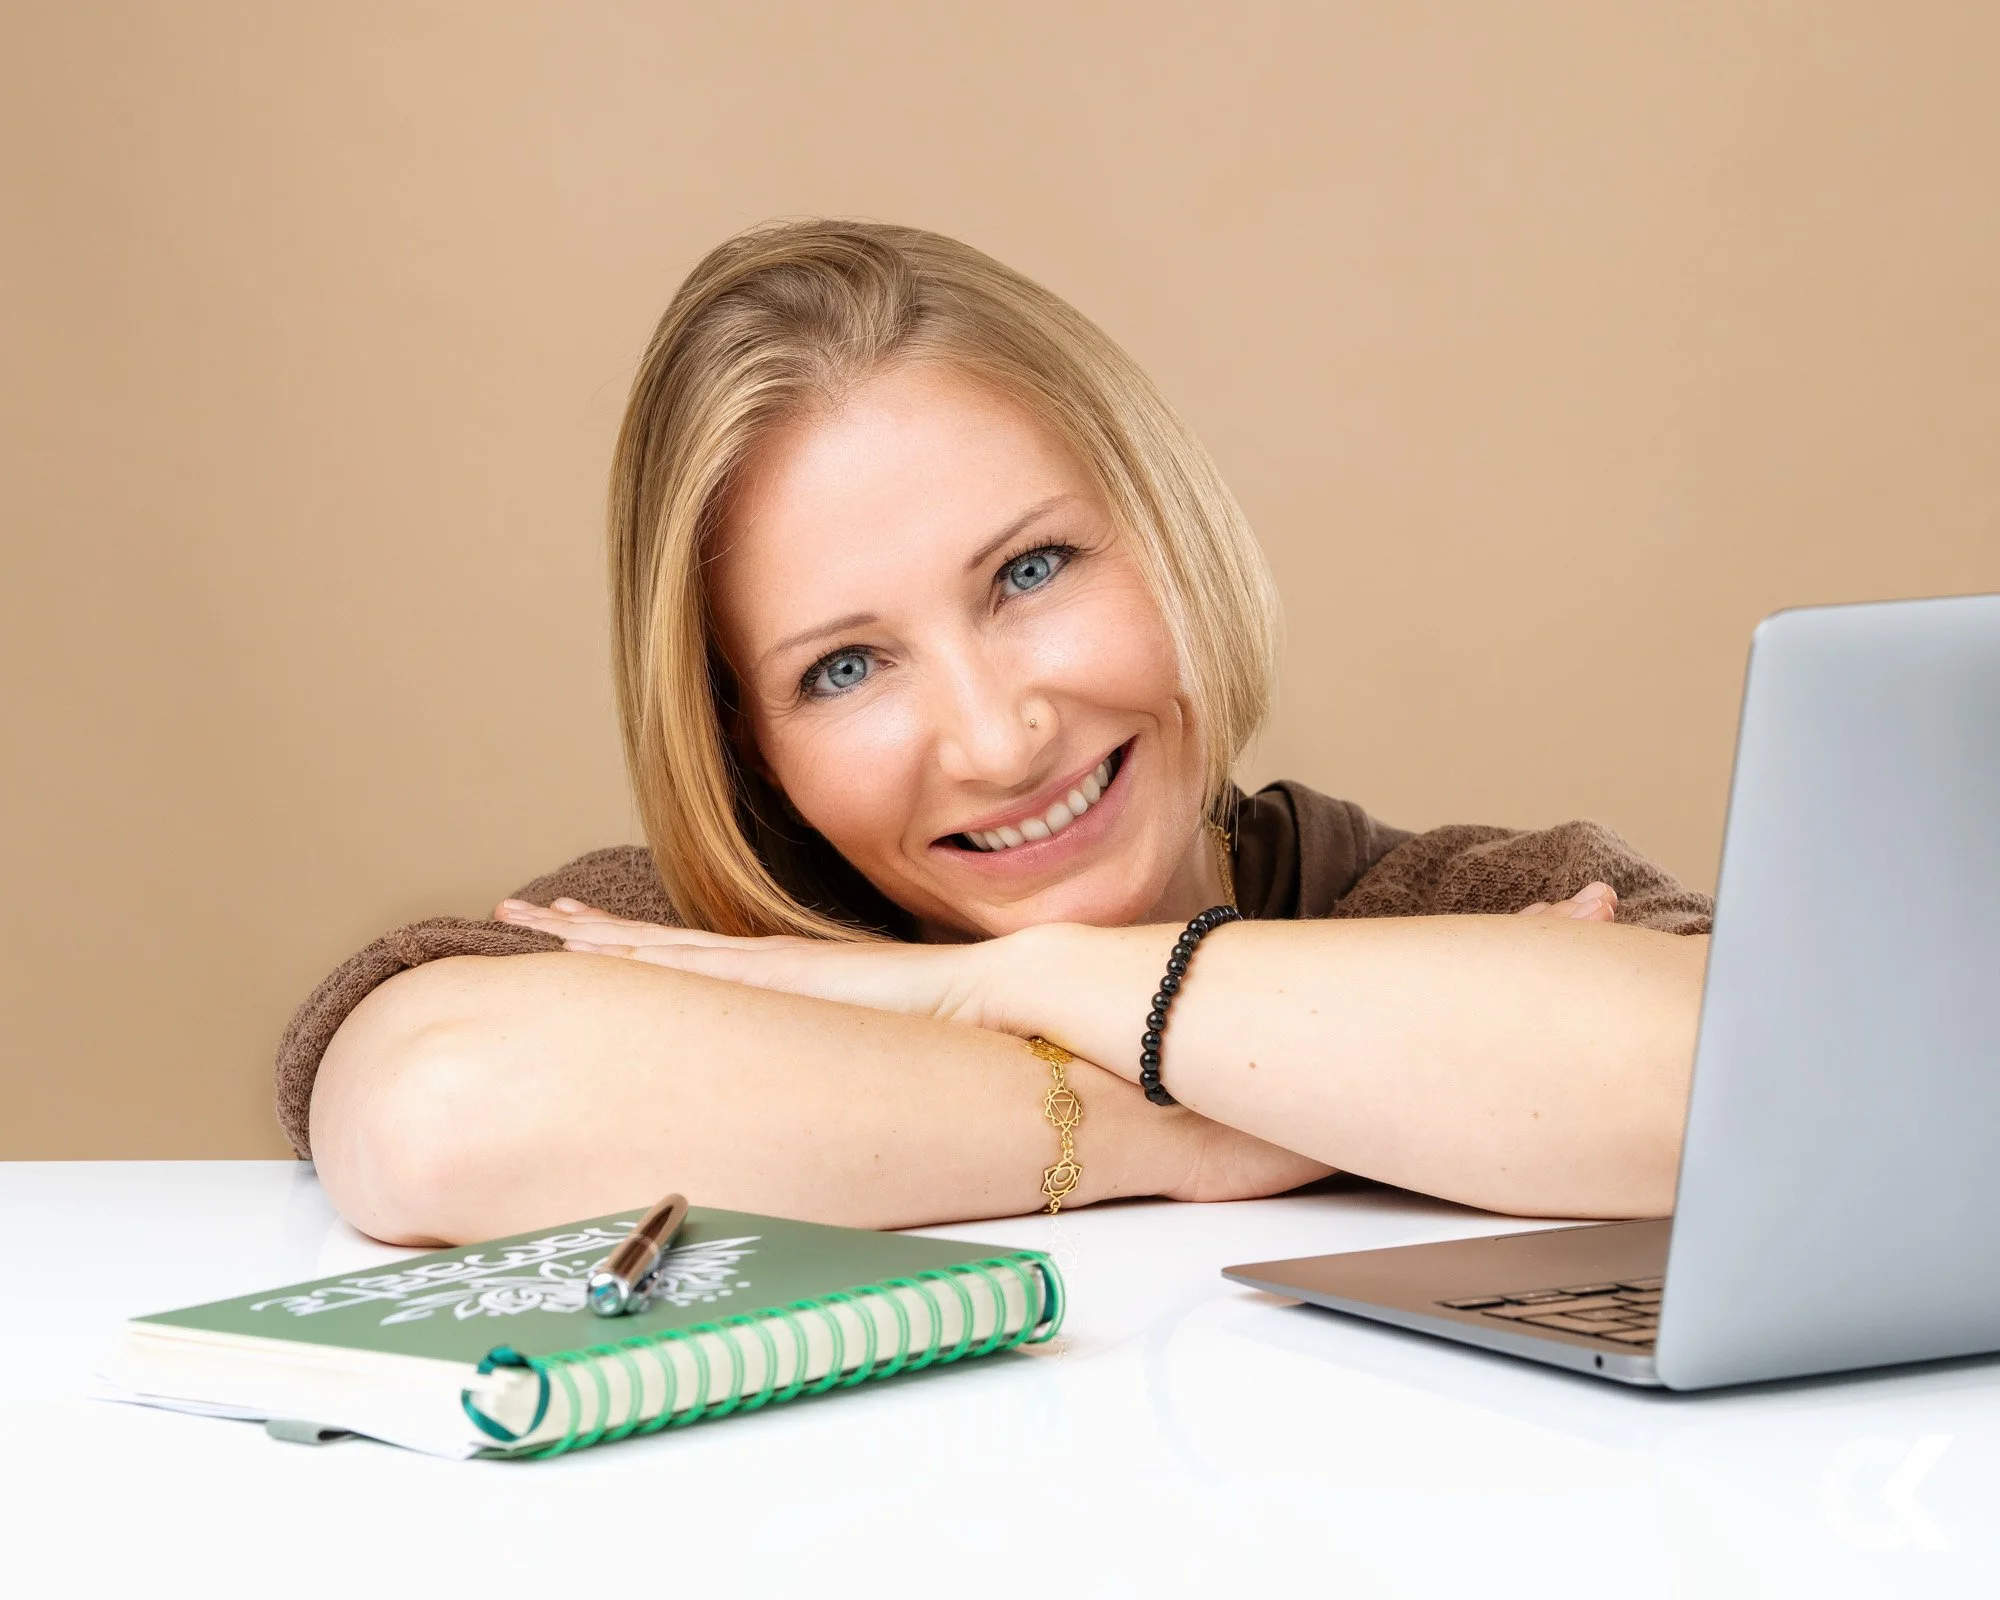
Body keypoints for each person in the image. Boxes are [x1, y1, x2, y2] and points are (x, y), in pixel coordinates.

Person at [291, 220, 1713, 1247]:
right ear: (746, 743)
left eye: (1031, 572)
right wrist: (1202, 1126)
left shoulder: (1429, 895)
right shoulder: (691, 944)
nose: (993, 739)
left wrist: (992, 987)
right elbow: (439, 1108)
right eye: (845, 667)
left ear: (1170, 534)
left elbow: (1747, 1085)